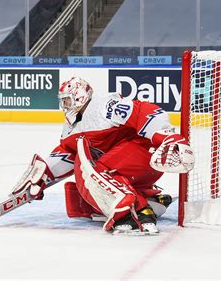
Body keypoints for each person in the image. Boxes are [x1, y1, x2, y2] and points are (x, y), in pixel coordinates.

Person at [10, 77, 195, 235]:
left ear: (79, 96)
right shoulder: (71, 127)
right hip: (127, 170)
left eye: (67, 100)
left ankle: (133, 213)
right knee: (80, 195)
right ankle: (149, 201)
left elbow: (145, 111)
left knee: (94, 170)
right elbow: (69, 153)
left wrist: (165, 136)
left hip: (143, 153)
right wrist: (45, 173)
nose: (64, 106)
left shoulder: (104, 106)